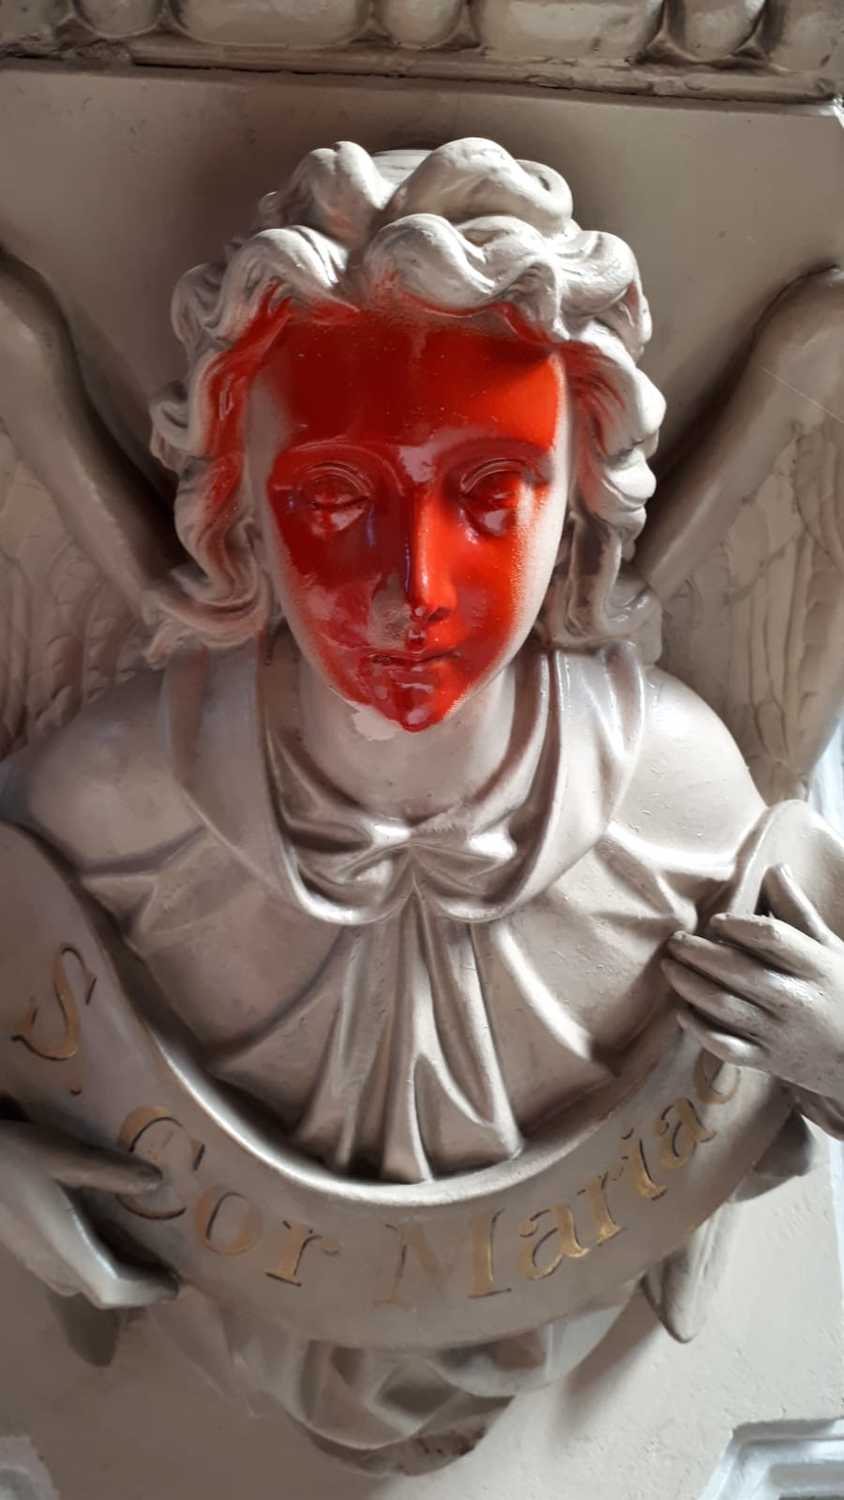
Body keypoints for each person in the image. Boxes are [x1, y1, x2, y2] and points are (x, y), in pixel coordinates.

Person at [1, 138, 843, 1473]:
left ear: (581, 510)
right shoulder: (114, 794)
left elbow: (764, 1074)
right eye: (335, 496)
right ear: (236, 512)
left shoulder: (675, 795)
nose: (415, 589)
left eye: (492, 494)